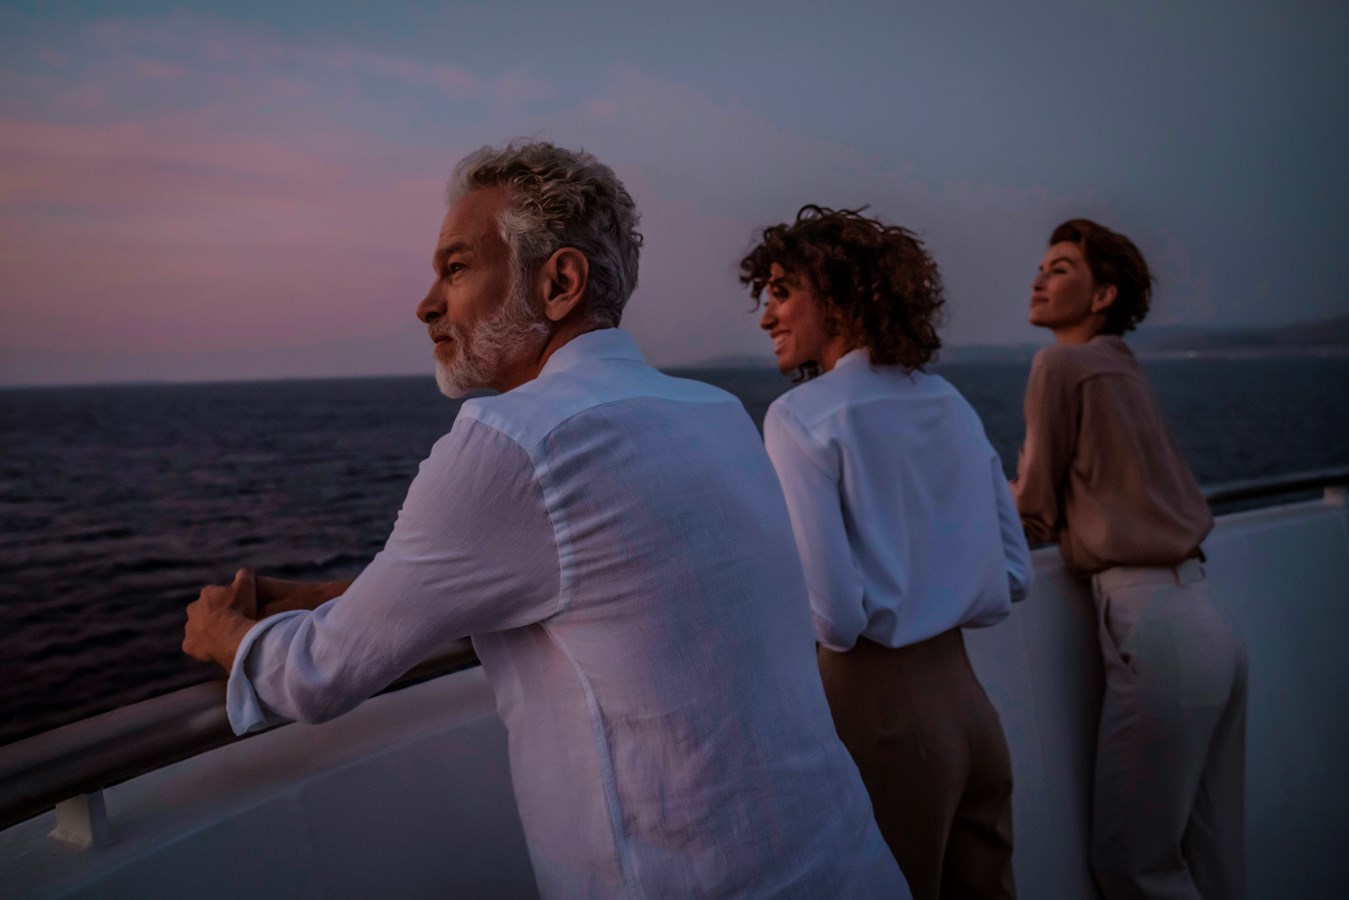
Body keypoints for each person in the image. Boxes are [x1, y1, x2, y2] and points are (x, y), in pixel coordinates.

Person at [181, 142, 907, 898]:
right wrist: (332, 596)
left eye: (455, 268)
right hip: (848, 864)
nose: (426, 303)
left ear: (559, 282)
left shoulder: (513, 441)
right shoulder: (711, 410)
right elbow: (598, 579)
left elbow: (316, 675)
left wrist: (224, 633)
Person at [741, 205, 1032, 900]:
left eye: (781, 292)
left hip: (880, 720)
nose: (766, 316)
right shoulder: (948, 400)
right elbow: (1016, 573)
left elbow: (836, 621)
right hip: (972, 711)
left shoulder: (800, 417)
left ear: (838, 296)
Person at [1012, 218, 1247, 900]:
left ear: (1102, 296)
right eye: (1042, 266)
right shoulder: (1120, 365)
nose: (1039, 278)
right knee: (1215, 861)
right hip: (1207, 619)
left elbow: (1032, 508)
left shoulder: (1058, 365)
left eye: (1060, 269)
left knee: (1134, 864)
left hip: (1152, 625)